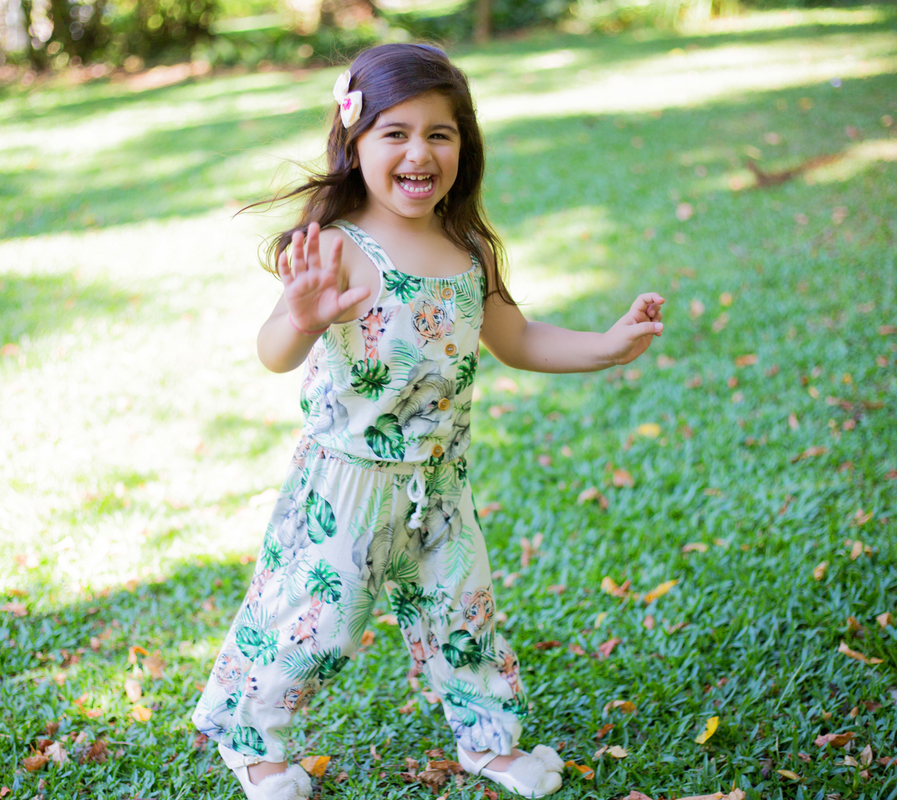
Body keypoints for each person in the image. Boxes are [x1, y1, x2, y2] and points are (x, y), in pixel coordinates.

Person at [192, 42, 665, 800]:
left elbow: (517, 339)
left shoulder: (467, 249)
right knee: (319, 623)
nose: (419, 152)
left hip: (439, 481)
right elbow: (273, 353)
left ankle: (487, 742)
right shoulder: (341, 248)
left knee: (463, 611)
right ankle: (249, 737)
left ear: (464, 146)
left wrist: (610, 346)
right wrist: (300, 317)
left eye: (439, 134)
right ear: (355, 143)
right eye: (396, 133)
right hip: (347, 482)